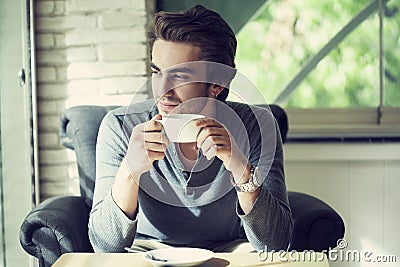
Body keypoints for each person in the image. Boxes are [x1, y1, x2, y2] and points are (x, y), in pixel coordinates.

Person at [88, 5, 292, 253]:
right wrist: (130, 171)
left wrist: (239, 165)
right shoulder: (119, 127)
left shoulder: (258, 126)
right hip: (145, 252)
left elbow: (274, 243)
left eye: (180, 76)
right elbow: (105, 247)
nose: (163, 90)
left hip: (229, 251)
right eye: (157, 72)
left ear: (218, 83)